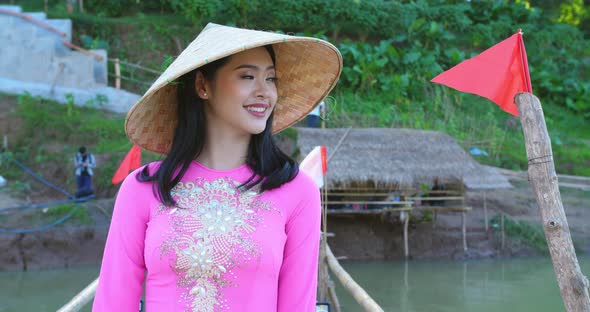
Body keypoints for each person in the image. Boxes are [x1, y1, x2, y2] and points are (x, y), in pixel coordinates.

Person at [93, 23, 342, 311]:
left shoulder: (297, 192)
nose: (265, 92)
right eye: (248, 76)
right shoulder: (143, 188)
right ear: (202, 86)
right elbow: (112, 302)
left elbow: (298, 306)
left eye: (271, 79)